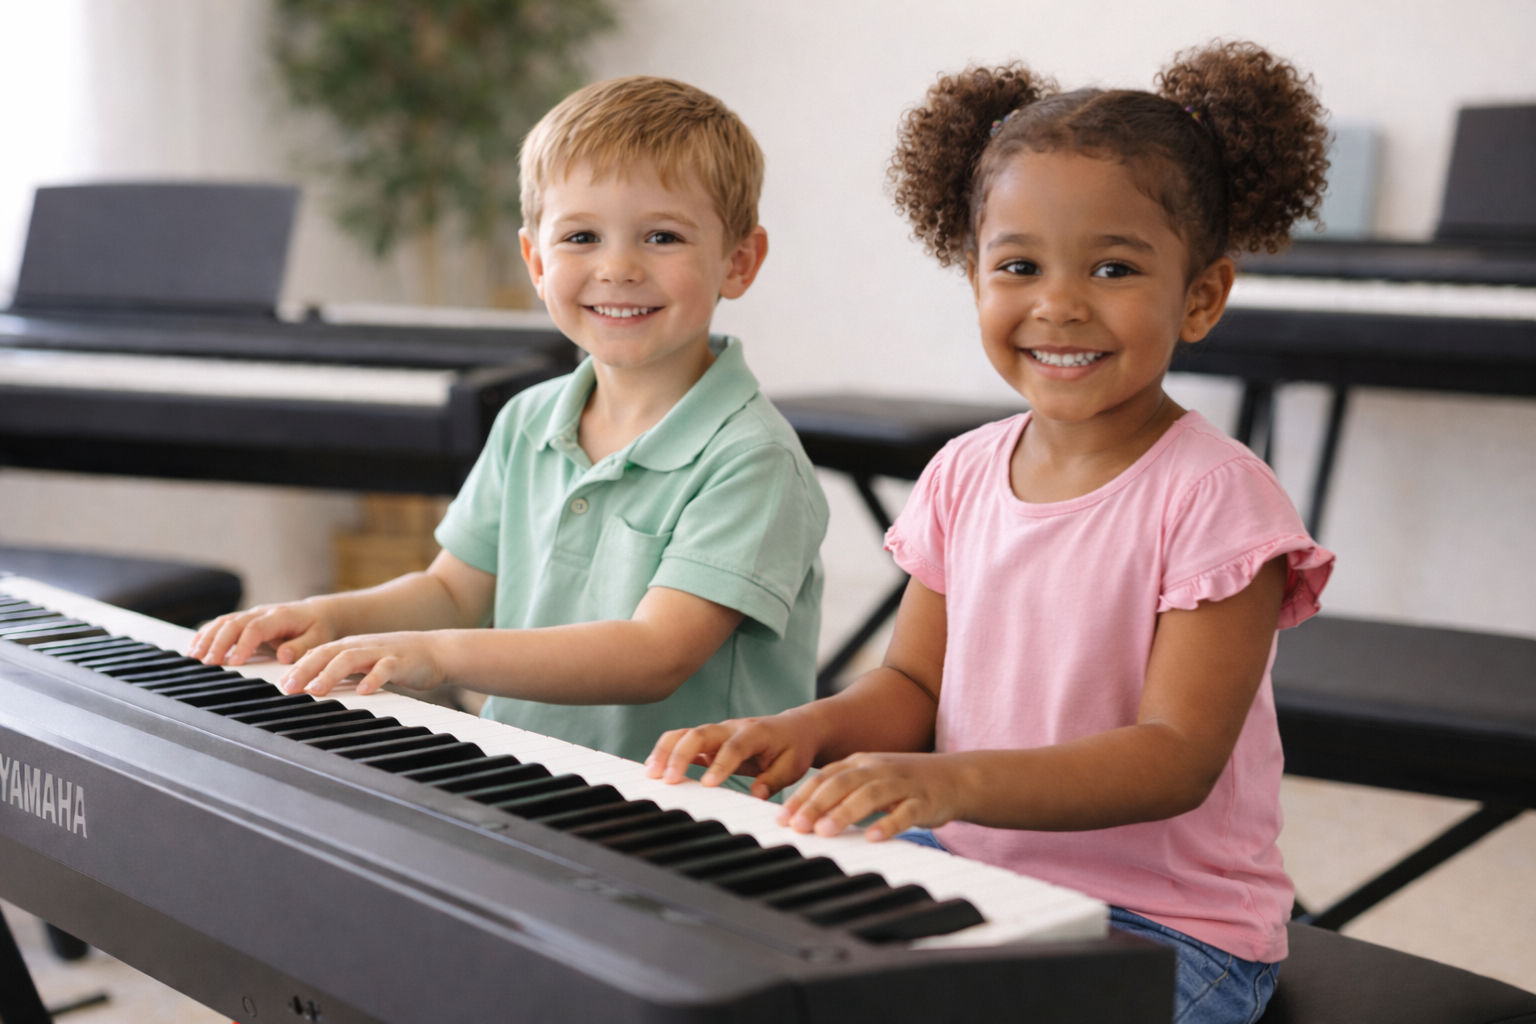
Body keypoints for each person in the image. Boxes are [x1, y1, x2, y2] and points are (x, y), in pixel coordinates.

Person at [646, 42, 1334, 1022]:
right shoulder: (965, 472)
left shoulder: (1219, 497)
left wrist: (948, 781)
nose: (1059, 301)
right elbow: (913, 685)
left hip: (1166, 925)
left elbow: (1177, 753)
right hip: (971, 869)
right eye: (1019, 264)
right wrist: (800, 733)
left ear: (1201, 294)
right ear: (973, 276)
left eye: (1113, 266)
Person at [189, 77, 829, 776]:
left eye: (662, 236)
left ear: (738, 262)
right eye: (581, 236)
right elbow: (456, 592)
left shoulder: (752, 459)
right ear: (535, 260)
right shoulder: (529, 419)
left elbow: (656, 656)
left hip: (697, 815)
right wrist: (332, 616)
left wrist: (437, 655)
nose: (617, 267)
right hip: (532, 776)